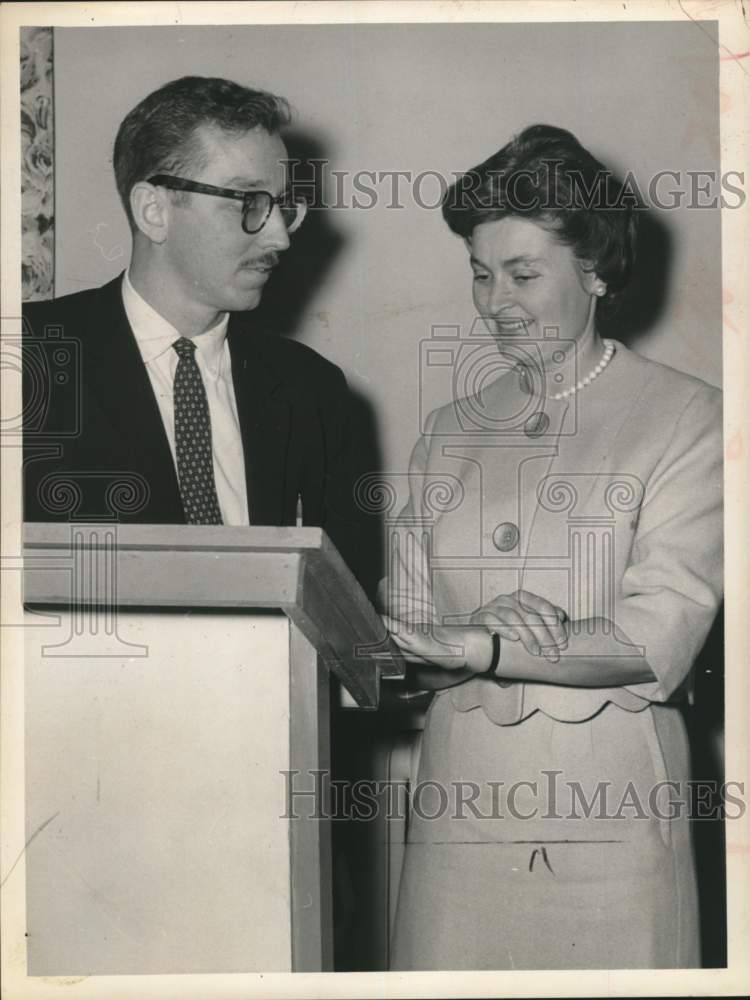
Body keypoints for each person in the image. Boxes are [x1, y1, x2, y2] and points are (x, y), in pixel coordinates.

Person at [383, 125, 723, 969]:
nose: (497, 300)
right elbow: (403, 641)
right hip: (457, 820)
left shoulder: (687, 416)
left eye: (524, 273)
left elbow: (659, 633)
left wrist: (489, 646)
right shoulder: (447, 431)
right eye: (480, 272)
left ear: (597, 271)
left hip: (610, 816)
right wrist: (434, 650)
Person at [22, 76, 357, 562]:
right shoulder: (26, 357)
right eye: (249, 202)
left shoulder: (314, 391)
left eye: (283, 206)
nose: (281, 238)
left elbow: (342, 616)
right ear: (153, 210)